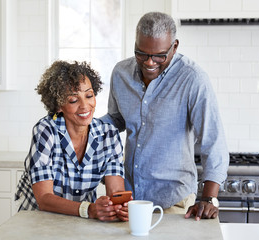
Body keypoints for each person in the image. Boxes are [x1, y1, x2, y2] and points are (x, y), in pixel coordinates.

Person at [100, 12, 229, 221]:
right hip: (130, 199)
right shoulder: (121, 73)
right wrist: (81, 124)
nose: (149, 62)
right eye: (141, 53)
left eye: (159, 55)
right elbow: (117, 119)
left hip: (175, 202)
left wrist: (209, 198)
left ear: (174, 46)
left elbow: (213, 141)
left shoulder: (193, 79)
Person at [15, 60, 129, 222]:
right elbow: (44, 198)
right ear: (58, 105)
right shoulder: (46, 130)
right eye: (73, 100)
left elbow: (116, 191)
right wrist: (89, 209)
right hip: (38, 220)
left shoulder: (108, 134)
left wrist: (119, 207)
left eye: (89, 96)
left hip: (82, 221)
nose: (85, 106)